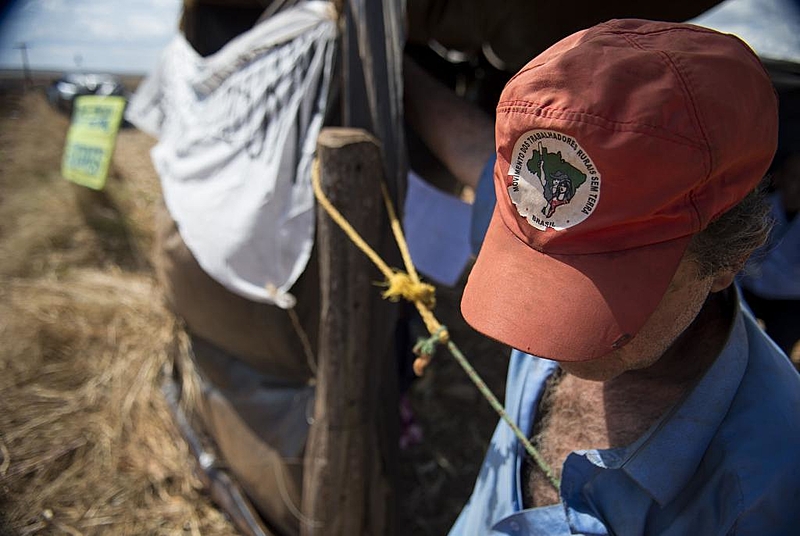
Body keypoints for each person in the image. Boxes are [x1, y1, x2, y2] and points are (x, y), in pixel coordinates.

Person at [444, 19, 800, 535]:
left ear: (729, 258)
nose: (543, 334)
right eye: (536, 267)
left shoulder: (769, 486)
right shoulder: (536, 219)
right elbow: (471, 156)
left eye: (601, 286)